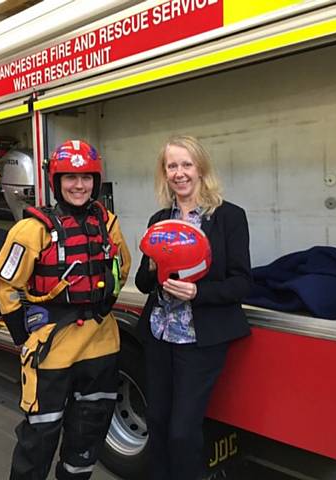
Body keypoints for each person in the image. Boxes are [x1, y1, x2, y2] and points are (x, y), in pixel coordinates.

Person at [0, 139, 131, 480]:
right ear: (56, 181)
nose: (79, 185)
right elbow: (3, 283)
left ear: (96, 182)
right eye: (70, 177)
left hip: (101, 345)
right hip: (50, 352)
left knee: (88, 432)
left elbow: (121, 268)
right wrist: (23, 336)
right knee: (40, 435)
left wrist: (104, 300)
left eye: (86, 178)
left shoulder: (108, 224)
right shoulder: (32, 229)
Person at [135, 135, 252, 480]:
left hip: (200, 341)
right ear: (165, 172)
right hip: (159, 336)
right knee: (156, 421)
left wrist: (196, 292)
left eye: (186, 164)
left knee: (183, 431)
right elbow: (143, 283)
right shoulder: (159, 218)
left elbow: (243, 282)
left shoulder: (228, 217)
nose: (179, 172)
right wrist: (155, 267)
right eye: (172, 165)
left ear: (200, 168)